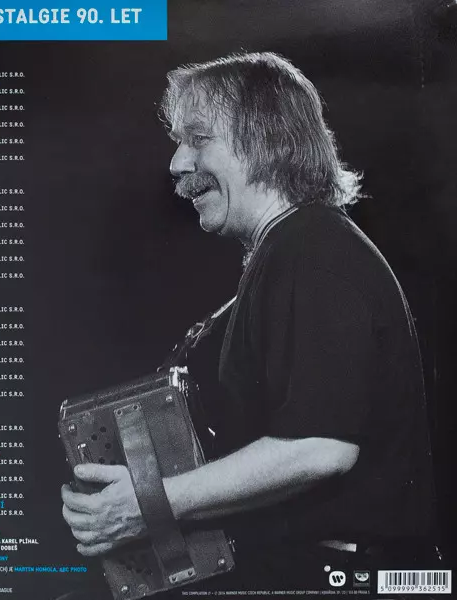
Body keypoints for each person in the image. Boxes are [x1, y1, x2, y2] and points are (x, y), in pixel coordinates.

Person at [60, 52, 436, 596]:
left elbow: (320, 447)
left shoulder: (312, 251)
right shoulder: (292, 249)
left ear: (267, 140)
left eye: (198, 138)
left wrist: (149, 502)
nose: (177, 163)